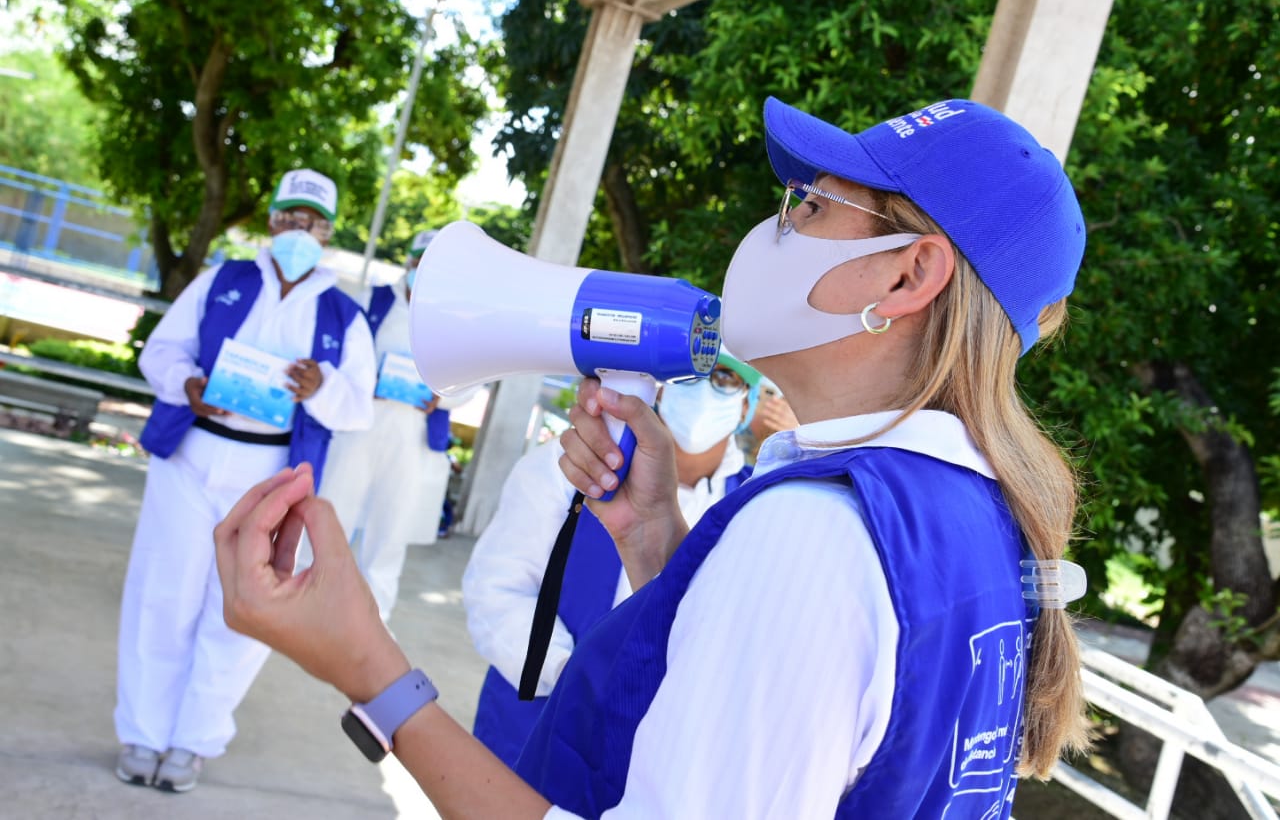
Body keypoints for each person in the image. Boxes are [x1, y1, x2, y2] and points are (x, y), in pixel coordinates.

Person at [212, 96, 1091, 818]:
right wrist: (659, 542)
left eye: (810, 206)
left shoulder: (815, 535)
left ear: (907, 276)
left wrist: (368, 667)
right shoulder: (965, 512)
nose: (775, 227)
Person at [115, 168, 376, 793]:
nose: (297, 231)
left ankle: (192, 742)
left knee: (240, 608)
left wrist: (323, 388)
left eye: (310, 223)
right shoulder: (223, 280)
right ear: (272, 222)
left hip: (271, 473)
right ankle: (143, 734)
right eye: (287, 218)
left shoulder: (343, 313)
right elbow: (162, 350)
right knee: (162, 594)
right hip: (191, 458)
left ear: (327, 231)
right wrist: (188, 386)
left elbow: (358, 407)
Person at [463, 350, 760, 768]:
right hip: (533, 732)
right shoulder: (571, 467)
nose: (705, 391)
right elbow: (496, 588)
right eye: (690, 378)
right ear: (661, 388)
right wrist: (573, 676)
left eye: (726, 380)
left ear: (747, 403)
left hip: (663, 759)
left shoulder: (758, 506)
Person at [316, 230, 474, 622]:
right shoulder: (372, 300)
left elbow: (472, 380)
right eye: (421, 261)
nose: (425, 270)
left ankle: (372, 618)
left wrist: (443, 397)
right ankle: (313, 597)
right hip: (359, 427)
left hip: (413, 436)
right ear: (409, 262)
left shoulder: (455, 319)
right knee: (333, 513)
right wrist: (363, 383)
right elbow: (338, 352)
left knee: (390, 530)